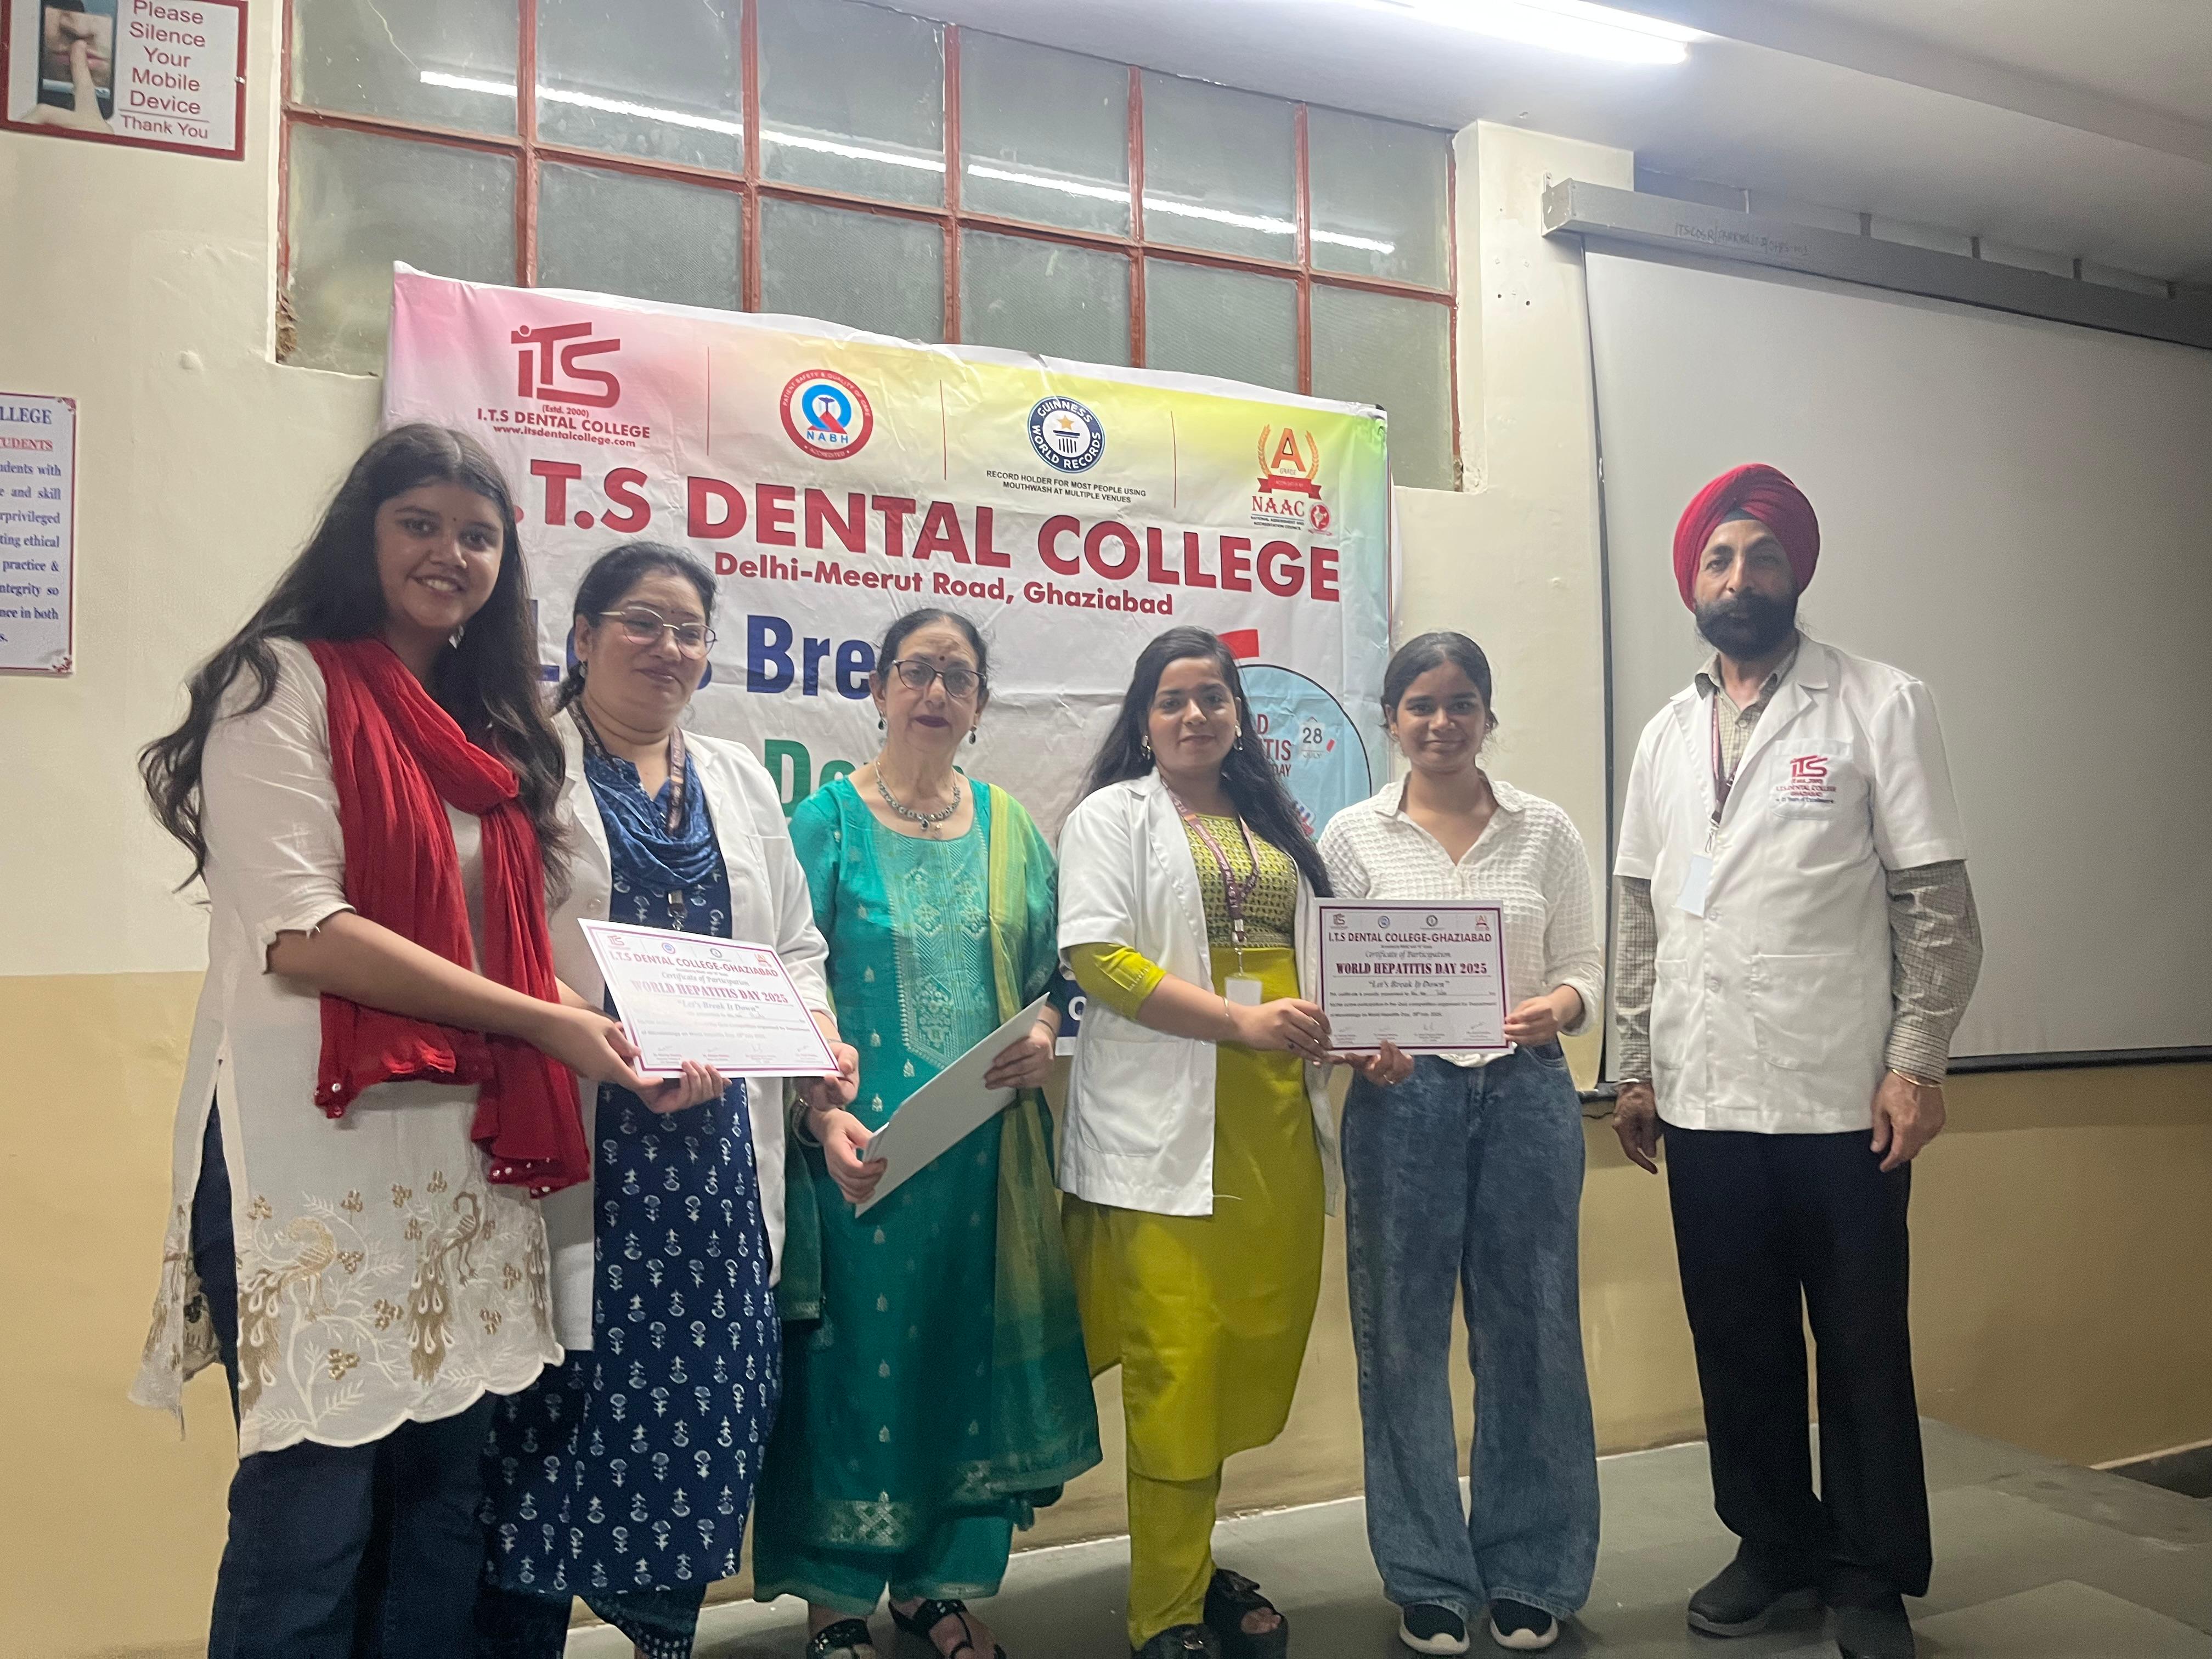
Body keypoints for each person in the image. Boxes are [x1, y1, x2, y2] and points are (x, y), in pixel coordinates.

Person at [133, 425, 673, 1658]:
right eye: (418, 524)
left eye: (478, 536)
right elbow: (303, 932)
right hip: (314, 1167)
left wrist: (630, 1030)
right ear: (361, 536)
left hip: (465, 1170)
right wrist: (551, 1024)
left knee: (439, 1521)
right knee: (310, 1526)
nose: (450, 554)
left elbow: (522, 944)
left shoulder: (493, 726)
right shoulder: (279, 683)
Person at [1611, 465, 1984, 1659]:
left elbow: (1937, 905)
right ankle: (1772, 1543)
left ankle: (1869, 1573)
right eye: (1718, 559)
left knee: (1862, 1346)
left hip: (1842, 1096)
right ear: (1693, 583)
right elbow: (1639, 912)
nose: (1739, 577)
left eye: (1761, 556)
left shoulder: (1880, 702)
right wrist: (1635, 1067)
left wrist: (1916, 1063)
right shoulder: (1665, 733)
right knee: (1738, 1340)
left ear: (1795, 573)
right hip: (1704, 1095)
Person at [473, 543, 857, 1658]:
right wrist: (596, 1033)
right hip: (576, 1144)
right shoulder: (518, 762)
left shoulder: (738, 779)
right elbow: (483, 933)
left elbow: (794, 943)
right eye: (642, 622)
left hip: (716, 1180)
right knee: (545, 1451)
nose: (669, 648)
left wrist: (817, 1041)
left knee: (699, 1431)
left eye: (690, 630)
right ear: (583, 636)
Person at [753, 608, 1100, 1659]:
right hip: (861, 1155)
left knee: (962, 1367)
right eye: (916, 671)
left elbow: (1056, 976)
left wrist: (1046, 1032)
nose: (936, 693)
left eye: (958, 676)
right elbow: (782, 976)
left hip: (987, 1161)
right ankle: (837, 1603)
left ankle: (939, 1587)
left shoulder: (1010, 828)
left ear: (982, 703)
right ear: (879, 689)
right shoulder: (824, 822)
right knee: (856, 1370)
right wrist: (821, 1111)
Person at [1057, 625, 1348, 1659]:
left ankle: (1192, 1560)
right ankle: (1167, 1611)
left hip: (1272, 1126)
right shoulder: (1112, 816)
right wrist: (1240, 1023)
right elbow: (1098, 960)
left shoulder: (1274, 821)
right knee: (1177, 1366)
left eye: (1213, 696)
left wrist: (1362, 1040)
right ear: (1145, 719)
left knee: (1237, 1356)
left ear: (1239, 714)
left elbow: (1324, 965)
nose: (1195, 714)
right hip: (1165, 1130)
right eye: (1173, 698)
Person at [1318, 632, 1604, 1656]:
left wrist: (1559, 1006)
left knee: (1535, 1331)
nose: (1442, 723)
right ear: (1391, 719)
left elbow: (1585, 965)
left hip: (1527, 1093)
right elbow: (1332, 982)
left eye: (1462, 704)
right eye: (1421, 706)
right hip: (1402, 1103)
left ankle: (1533, 1566)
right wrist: (1362, 1045)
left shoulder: (1545, 829)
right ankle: (1428, 1573)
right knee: (1400, 1337)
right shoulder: (1352, 837)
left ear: (1488, 715)